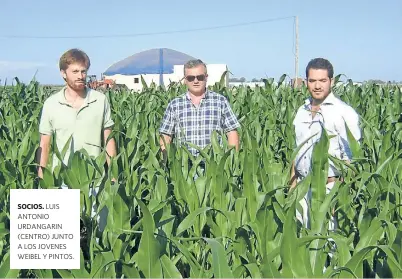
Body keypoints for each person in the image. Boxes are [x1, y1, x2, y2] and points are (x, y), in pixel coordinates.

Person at [36, 48, 117, 233]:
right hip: (63, 179)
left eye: (83, 71)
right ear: (63, 73)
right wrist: (42, 178)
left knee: (98, 234)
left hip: (95, 179)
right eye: (75, 72)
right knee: (64, 236)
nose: (81, 76)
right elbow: (44, 144)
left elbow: (109, 139)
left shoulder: (100, 100)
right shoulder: (51, 104)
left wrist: (113, 174)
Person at [290, 57, 361, 229]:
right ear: (306, 82)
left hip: (328, 190)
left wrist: (340, 196)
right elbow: (298, 149)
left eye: (322, 80)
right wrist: (292, 186)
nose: (317, 86)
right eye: (312, 80)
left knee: (327, 247)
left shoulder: (344, 113)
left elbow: (351, 160)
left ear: (332, 81)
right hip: (301, 188)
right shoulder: (301, 111)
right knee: (300, 246)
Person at [159, 59, 240, 166]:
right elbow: (166, 136)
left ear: (206, 77)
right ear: (185, 80)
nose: (195, 81)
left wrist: (231, 162)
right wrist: (166, 164)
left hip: (214, 165)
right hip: (184, 167)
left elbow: (231, 133)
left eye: (200, 77)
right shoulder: (175, 105)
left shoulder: (220, 101)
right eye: (191, 78)